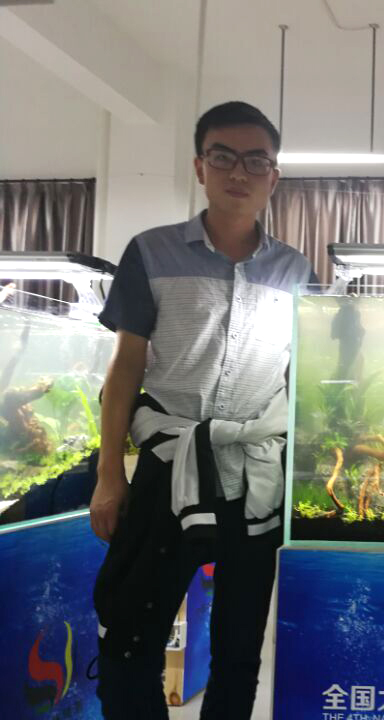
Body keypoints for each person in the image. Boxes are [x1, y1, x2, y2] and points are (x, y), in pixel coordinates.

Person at [89, 101, 316, 719]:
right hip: (169, 462)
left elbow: (299, 376)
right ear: (200, 167)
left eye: (256, 160)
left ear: (274, 175)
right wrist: (109, 475)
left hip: (252, 472)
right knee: (131, 632)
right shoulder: (152, 251)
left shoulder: (295, 271)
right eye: (223, 156)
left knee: (240, 646)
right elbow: (126, 369)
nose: (239, 172)